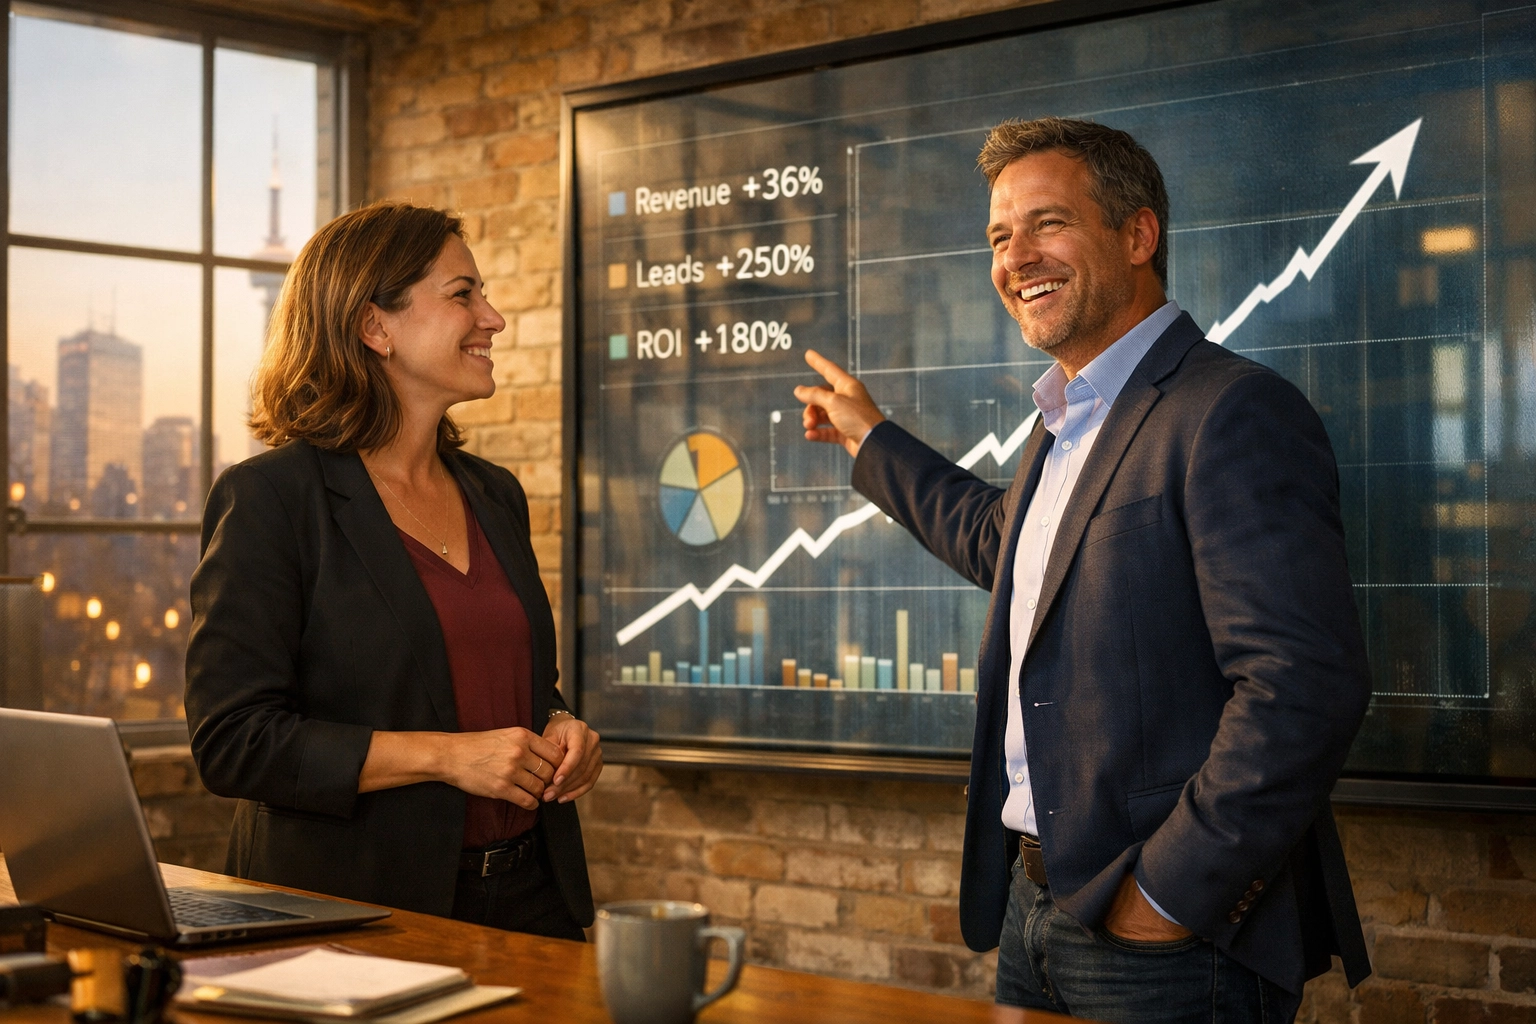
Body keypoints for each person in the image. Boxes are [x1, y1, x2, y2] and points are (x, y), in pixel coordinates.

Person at [794, 118, 1372, 1021]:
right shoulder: (1069, 418)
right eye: (998, 236)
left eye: (1046, 224)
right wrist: (872, 438)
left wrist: (1169, 895)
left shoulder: (1231, 412)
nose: (1014, 256)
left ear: (1137, 236)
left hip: (1163, 938)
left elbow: (1303, 687)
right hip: (1036, 910)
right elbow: (1002, 542)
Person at [186, 202, 600, 939]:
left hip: (534, 899)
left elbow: (492, 680)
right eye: (463, 294)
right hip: (358, 914)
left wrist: (561, 724)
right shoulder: (272, 499)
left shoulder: (493, 492)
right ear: (375, 327)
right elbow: (233, 742)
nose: (493, 317)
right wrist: (448, 759)